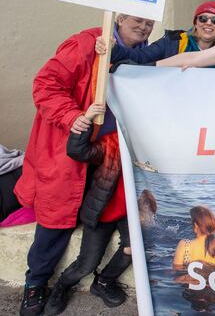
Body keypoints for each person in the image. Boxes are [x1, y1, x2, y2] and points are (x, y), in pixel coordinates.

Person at [15, 16, 153, 316]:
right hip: (70, 151)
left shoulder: (144, 54)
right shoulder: (86, 43)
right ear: (120, 19)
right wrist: (72, 116)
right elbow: (45, 84)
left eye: (148, 22)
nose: (144, 27)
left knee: (100, 213)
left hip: (112, 158)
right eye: (137, 20)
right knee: (55, 218)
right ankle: (35, 283)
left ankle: (102, 281)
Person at [45, 103, 132, 314]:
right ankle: (61, 286)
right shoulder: (111, 143)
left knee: (133, 250)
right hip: (102, 213)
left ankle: (103, 282)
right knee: (87, 263)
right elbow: (77, 150)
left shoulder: (149, 148)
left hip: (129, 215)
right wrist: (85, 120)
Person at [102, 1, 215, 66]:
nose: (208, 23)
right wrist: (114, 49)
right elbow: (139, 57)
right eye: (202, 18)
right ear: (195, 23)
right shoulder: (172, 42)